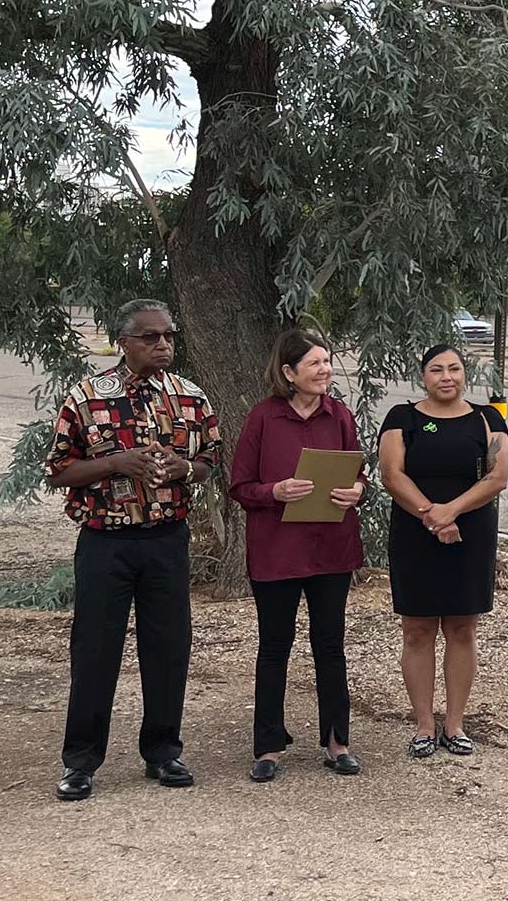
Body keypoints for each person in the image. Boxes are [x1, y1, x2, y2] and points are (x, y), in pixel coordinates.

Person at [48, 299, 221, 801]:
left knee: (168, 649)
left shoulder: (190, 397)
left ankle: (163, 752)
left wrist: (182, 468)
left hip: (167, 540)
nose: (163, 345)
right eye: (151, 337)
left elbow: (210, 458)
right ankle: (81, 762)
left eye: (168, 336)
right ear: (123, 342)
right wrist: (116, 463)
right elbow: (58, 470)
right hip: (106, 543)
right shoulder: (87, 397)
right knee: (96, 651)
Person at [227, 329, 366, 782]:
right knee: (274, 647)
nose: (325, 369)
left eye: (327, 361)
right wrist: (275, 491)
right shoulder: (262, 419)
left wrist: (356, 491)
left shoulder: (340, 416)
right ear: (289, 373)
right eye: (315, 363)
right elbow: (240, 486)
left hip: (331, 549)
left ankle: (336, 741)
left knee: (330, 646)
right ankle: (268, 747)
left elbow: (358, 476)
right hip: (277, 552)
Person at [378, 345, 508, 758]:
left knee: (461, 629)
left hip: (470, 535)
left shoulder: (488, 419)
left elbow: (498, 477)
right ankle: (422, 725)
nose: (446, 376)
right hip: (415, 534)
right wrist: (431, 516)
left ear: (464, 374)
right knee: (417, 630)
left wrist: (449, 512)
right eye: (437, 369)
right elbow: (391, 474)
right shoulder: (403, 419)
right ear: (423, 376)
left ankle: (454, 724)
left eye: (454, 369)